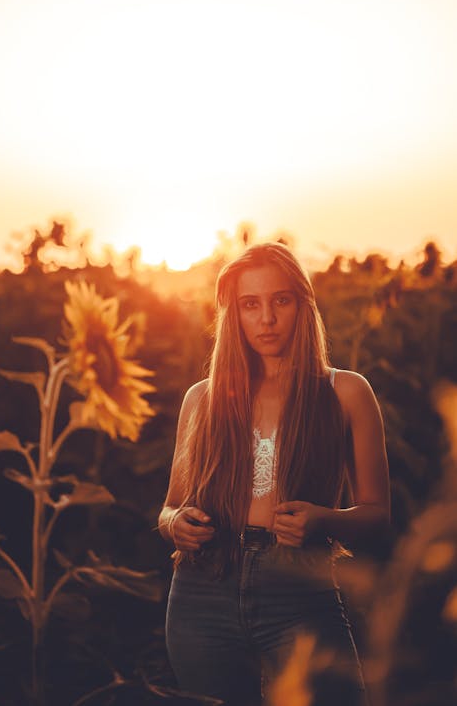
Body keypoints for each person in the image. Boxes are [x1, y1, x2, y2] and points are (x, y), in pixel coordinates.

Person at [158, 242, 390, 706]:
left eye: (280, 300)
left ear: (303, 305)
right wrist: (176, 526)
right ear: (234, 315)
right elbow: (170, 506)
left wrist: (324, 519)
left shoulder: (345, 392)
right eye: (250, 304)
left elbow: (378, 516)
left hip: (300, 590)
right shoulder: (201, 400)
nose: (266, 318)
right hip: (203, 591)